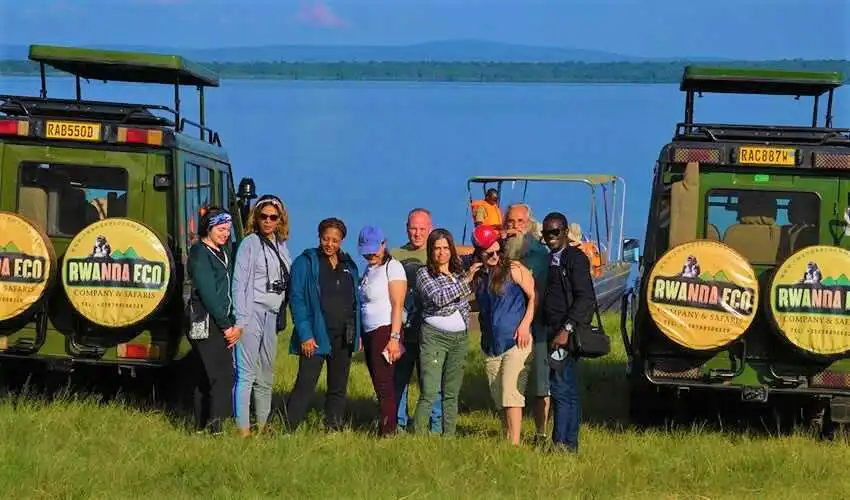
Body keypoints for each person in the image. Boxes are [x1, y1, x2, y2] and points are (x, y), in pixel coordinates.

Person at [285, 217, 362, 432]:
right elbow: (297, 299)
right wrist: (305, 334)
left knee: (338, 387)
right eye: (326, 239)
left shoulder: (349, 264)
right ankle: (288, 429)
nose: (329, 244)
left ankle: (333, 429)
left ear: (341, 241)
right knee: (305, 384)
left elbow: (356, 301)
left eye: (335, 240)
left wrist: (357, 334)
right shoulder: (305, 262)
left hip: (344, 335)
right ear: (319, 237)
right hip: (316, 335)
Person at [231, 194, 292, 438]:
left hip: (272, 313)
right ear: (255, 218)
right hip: (251, 311)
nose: (267, 221)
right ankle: (243, 429)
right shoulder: (249, 244)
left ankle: (263, 426)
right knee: (246, 373)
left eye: (273, 217)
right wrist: (241, 320)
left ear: (280, 219)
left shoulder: (282, 246)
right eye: (263, 216)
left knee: (266, 373)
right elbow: (239, 284)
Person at [412, 228, 481, 436]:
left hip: (459, 338)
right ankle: (418, 435)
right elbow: (439, 298)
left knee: (451, 392)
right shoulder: (424, 274)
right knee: (430, 390)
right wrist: (466, 280)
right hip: (434, 336)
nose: (441, 253)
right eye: (437, 248)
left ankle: (448, 436)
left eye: (445, 248)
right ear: (430, 251)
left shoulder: (457, 272)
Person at [471, 225, 535, 445]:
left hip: (515, 341)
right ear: (480, 252)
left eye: (498, 251)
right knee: (499, 396)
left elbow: (533, 296)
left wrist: (525, 324)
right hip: (490, 345)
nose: (495, 256)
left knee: (511, 394)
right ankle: (507, 436)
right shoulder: (478, 276)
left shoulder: (514, 268)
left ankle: (514, 444)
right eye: (489, 253)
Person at [540, 211, 598, 453]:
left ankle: (562, 443)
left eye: (555, 232)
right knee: (566, 389)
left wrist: (566, 329)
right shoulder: (549, 259)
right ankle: (568, 443)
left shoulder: (574, 258)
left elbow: (586, 297)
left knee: (561, 389)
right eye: (546, 233)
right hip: (550, 330)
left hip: (565, 333)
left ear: (565, 232)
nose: (550, 237)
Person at [186, 207, 241, 435]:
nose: (225, 234)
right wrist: (226, 326)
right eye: (221, 229)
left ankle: (201, 425)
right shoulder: (200, 252)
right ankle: (215, 427)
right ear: (208, 228)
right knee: (222, 376)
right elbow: (208, 292)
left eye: (228, 229)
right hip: (207, 321)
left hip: (221, 320)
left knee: (205, 375)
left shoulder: (222, 251)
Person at [502, 202, 552, 443]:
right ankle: (510, 434)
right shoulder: (500, 252)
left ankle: (541, 432)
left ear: (529, 223)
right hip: (509, 327)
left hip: (538, 326)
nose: (515, 227)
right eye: (510, 222)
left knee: (542, 384)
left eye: (520, 221)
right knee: (508, 383)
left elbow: (539, 291)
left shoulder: (540, 254)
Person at [391, 208, 442, 433]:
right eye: (413, 228)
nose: (417, 233)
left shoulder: (438, 254)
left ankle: (434, 426)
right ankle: (398, 424)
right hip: (402, 330)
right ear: (406, 229)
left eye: (422, 228)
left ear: (430, 229)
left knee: (431, 382)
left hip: (431, 331)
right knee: (398, 380)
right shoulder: (394, 256)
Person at [357, 225, 407, 437]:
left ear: (384, 245)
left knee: (385, 384)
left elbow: (398, 304)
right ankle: (385, 424)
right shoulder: (369, 270)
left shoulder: (393, 267)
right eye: (366, 251)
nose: (371, 255)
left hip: (385, 330)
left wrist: (394, 338)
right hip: (369, 332)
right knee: (378, 383)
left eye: (375, 250)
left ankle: (388, 431)